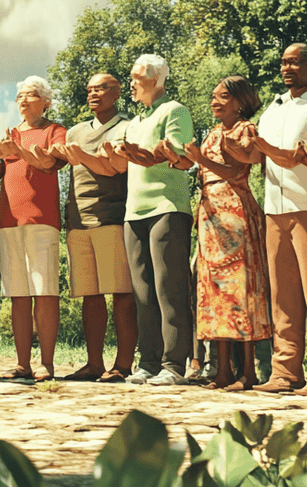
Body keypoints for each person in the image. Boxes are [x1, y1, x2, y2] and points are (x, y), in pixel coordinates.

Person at [250, 43, 307, 396]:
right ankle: (285, 371)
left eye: (294, 62)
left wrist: (263, 147)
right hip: (275, 207)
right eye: (283, 62)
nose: (287, 68)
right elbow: (258, 155)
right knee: (282, 295)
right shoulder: (273, 108)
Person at [166, 76, 272, 390]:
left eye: (223, 96)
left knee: (240, 289)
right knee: (214, 291)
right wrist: (182, 161)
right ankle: (223, 370)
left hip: (234, 211)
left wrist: (200, 159)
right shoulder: (213, 132)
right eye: (213, 96)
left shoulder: (244, 130)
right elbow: (202, 168)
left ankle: (248, 371)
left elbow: (238, 172)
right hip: (210, 212)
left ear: (240, 102)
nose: (214, 101)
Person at [103, 54, 194, 387]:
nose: (131, 83)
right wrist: (114, 153)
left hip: (167, 207)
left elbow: (177, 153)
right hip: (134, 212)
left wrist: (142, 154)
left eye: (136, 77)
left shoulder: (175, 111)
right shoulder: (135, 122)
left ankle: (174, 365)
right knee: (142, 293)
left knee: (169, 288)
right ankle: (149, 363)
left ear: (155, 80)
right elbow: (125, 161)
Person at [46, 73, 137, 383]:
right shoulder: (74, 132)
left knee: (122, 293)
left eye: (101, 88)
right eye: (89, 90)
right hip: (78, 220)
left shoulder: (127, 127)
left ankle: (123, 364)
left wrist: (84, 156)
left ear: (117, 92)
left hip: (112, 216)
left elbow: (117, 168)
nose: (93, 94)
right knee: (90, 295)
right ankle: (94, 363)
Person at [0, 76, 65, 381]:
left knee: (45, 291)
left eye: (30, 95)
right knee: (18, 294)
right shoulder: (11, 134)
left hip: (41, 218)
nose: (23, 100)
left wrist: (18, 149)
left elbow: (49, 163)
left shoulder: (54, 131)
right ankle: (22, 364)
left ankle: (47, 364)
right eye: (19, 96)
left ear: (46, 102)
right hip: (9, 219)